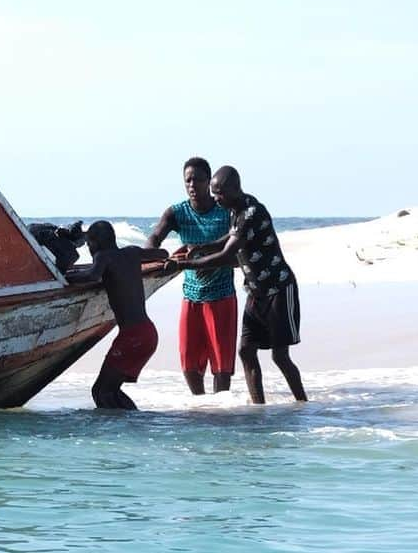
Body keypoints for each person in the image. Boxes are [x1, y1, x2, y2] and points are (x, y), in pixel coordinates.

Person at [170, 166, 307, 403]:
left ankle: (302, 403)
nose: (215, 198)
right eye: (214, 193)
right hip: (255, 291)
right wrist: (203, 247)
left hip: (279, 289)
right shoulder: (234, 208)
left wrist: (185, 266)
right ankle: (259, 407)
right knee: (245, 351)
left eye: (219, 193)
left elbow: (227, 255)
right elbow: (230, 238)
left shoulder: (251, 212)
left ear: (235, 189)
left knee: (280, 356)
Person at [146, 157, 238, 395]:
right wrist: (152, 258)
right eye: (188, 180)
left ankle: (220, 411)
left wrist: (211, 258)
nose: (192, 185)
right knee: (188, 363)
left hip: (222, 296)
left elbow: (239, 251)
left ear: (209, 181)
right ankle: (200, 406)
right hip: (191, 296)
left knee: (221, 366)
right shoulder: (177, 212)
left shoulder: (225, 212)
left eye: (198, 179)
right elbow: (155, 238)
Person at [67, 221, 167, 410]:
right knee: (109, 391)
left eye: (89, 244)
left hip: (132, 337)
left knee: (102, 391)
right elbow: (163, 254)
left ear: (95, 244)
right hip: (147, 333)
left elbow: (93, 276)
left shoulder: (103, 256)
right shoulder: (131, 252)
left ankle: (126, 427)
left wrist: (64, 276)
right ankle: (132, 423)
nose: (89, 248)